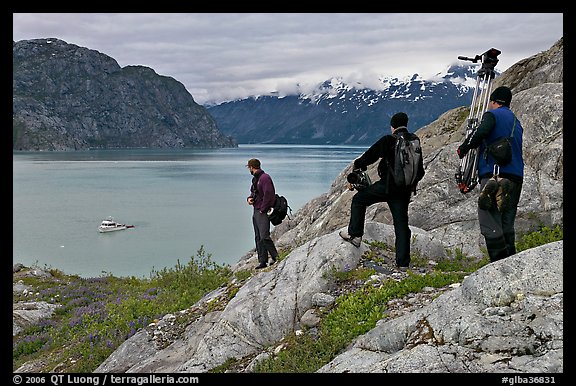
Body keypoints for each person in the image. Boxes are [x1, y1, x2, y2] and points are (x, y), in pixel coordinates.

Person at [339, 112, 425, 268]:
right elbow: (420, 171)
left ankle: (355, 235)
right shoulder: (414, 142)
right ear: (406, 124)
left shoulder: (389, 140)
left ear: (393, 126)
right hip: (404, 191)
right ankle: (403, 263)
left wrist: (358, 164)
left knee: (359, 200)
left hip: (387, 187)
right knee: (401, 225)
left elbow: (371, 155)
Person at [457, 86, 524, 263]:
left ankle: (498, 264)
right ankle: (511, 262)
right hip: (516, 177)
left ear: (493, 101)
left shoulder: (492, 115)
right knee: (507, 222)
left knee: (489, 219)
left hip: (495, 174)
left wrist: (464, 147)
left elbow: (481, 132)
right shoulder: (517, 122)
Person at [246, 158, 279, 269]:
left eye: (249, 167)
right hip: (256, 210)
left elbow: (269, 195)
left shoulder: (265, 178)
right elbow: (253, 192)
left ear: (251, 167)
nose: (249, 170)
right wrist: (249, 198)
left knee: (264, 235)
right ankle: (262, 261)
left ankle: (275, 257)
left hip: (262, 211)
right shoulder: (256, 179)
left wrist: (263, 209)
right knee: (258, 236)